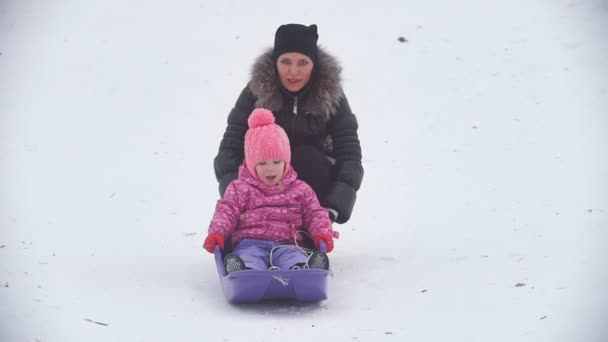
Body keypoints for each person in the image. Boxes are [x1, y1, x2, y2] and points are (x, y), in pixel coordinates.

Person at [213, 23, 363, 224]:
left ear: (314, 64)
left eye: (303, 62)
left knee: (306, 157)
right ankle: (254, 231)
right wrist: (235, 197)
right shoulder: (256, 92)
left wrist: (334, 205)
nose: (294, 71)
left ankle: (306, 232)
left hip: (313, 186)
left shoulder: (331, 96)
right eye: (286, 61)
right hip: (262, 184)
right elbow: (229, 148)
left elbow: (349, 153)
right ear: (275, 62)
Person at [203, 108, 338, 273]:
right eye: (262, 163)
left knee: (294, 257)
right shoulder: (240, 188)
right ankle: (244, 271)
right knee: (249, 257)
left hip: (288, 243)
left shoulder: (300, 189)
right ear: (251, 164)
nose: (270, 169)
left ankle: (305, 270)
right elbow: (226, 211)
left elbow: (314, 212)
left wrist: (322, 233)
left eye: (276, 162)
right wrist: (217, 232)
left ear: (286, 161)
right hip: (250, 243)